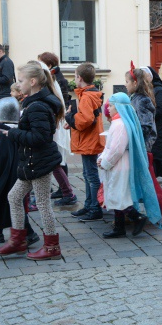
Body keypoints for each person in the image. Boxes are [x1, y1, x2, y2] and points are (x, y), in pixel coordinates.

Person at [0, 61, 64, 260]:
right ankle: (18, 241)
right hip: (31, 161)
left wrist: (12, 133)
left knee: (42, 202)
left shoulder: (38, 106)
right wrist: (10, 129)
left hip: (39, 162)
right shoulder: (34, 103)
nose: (18, 83)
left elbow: (40, 138)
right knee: (14, 197)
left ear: (32, 82)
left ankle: (52, 246)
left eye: (21, 80)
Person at [0, 97, 39, 246]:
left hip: (7, 176)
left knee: (8, 202)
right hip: (7, 175)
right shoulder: (8, 132)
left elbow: (2, 159)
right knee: (1, 202)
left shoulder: (6, 135)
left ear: (5, 113)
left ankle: (29, 234)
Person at [97, 93, 162, 239]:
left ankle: (137, 217)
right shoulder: (118, 122)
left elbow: (116, 149)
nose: (110, 108)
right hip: (117, 163)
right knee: (117, 194)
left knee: (118, 195)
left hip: (119, 164)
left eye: (112, 105)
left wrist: (106, 162)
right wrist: (103, 158)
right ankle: (119, 227)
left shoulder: (120, 125)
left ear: (120, 107)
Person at [127, 67, 162, 222]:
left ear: (135, 82)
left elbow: (145, 126)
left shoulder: (143, 100)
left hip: (142, 147)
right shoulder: (134, 97)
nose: (125, 84)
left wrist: (132, 136)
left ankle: (158, 209)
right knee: (141, 182)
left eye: (127, 82)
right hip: (136, 146)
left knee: (149, 184)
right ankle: (132, 212)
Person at [65, 62, 105, 222]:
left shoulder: (87, 96)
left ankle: (95, 208)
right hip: (90, 139)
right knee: (88, 174)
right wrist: (75, 119)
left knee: (91, 176)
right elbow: (88, 117)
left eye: (75, 76)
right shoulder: (89, 94)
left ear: (79, 78)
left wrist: (70, 118)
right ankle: (89, 204)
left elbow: (85, 119)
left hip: (89, 140)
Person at [36, 54, 74, 206]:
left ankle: (66, 192)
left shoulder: (56, 81)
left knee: (57, 159)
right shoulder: (52, 81)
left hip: (56, 124)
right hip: (55, 124)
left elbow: (59, 103)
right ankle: (63, 190)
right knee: (56, 160)